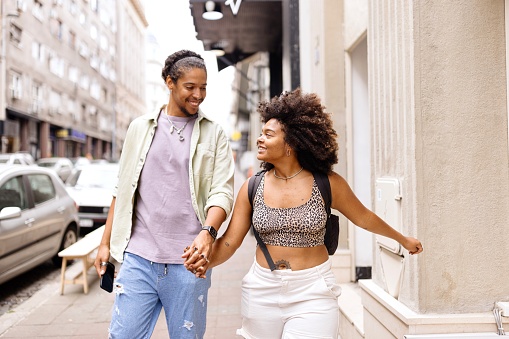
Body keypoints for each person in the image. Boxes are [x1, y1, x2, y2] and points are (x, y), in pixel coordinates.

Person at [183, 88, 423, 338]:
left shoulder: (327, 183)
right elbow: (230, 242)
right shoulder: (252, 186)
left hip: (313, 290)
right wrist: (204, 261)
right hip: (262, 289)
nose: (260, 139)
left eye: (268, 134)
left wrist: (402, 239)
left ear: (291, 144)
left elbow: (363, 217)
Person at [94, 49, 235, 339]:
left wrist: (208, 232)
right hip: (138, 259)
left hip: (190, 263)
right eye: (190, 87)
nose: (198, 94)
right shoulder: (139, 128)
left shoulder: (215, 133)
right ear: (170, 83)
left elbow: (222, 191)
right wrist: (105, 243)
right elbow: (122, 188)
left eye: (204, 87)